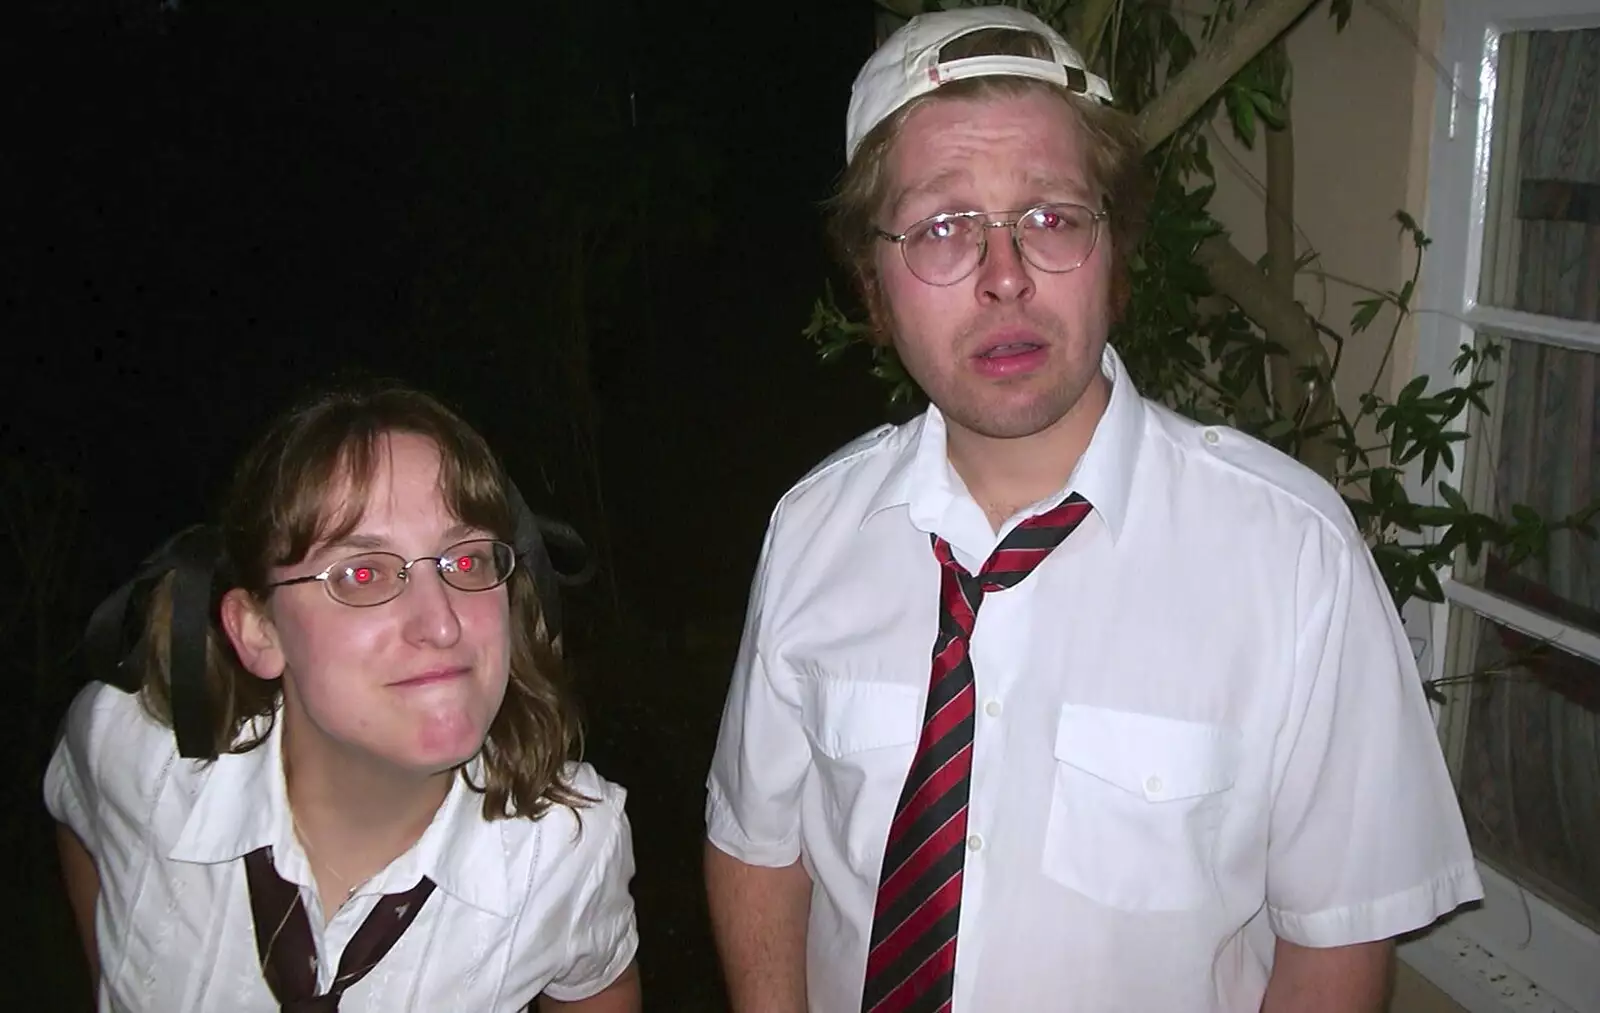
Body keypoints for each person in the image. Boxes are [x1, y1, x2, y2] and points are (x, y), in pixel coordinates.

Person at [702, 7, 1483, 1012]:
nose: (1004, 276)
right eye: (942, 228)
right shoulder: (813, 530)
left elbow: (1330, 948)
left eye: (1052, 217)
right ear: (872, 282)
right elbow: (756, 845)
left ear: (1114, 253)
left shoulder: (1290, 555)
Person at [46, 383, 642, 1012]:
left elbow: (597, 984)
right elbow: (76, 802)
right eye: (363, 574)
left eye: (465, 564)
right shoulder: (140, 756)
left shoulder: (565, 848)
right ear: (259, 630)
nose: (441, 624)